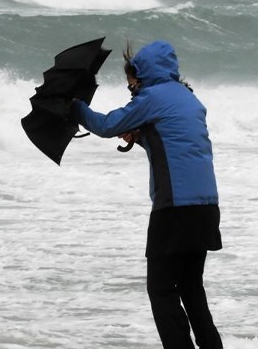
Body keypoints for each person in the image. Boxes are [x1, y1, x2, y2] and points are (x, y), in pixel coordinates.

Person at [71, 40, 223, 349]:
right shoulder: (188, 98)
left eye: (132, 86)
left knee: (161, 289)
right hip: (206, 207)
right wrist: (142, 137)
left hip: (175, 208)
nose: (132, 93)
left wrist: (72, 105)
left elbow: (105, 125)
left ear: (143, 76)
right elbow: (175, 142)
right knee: (192, 289)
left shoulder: (151, 97)